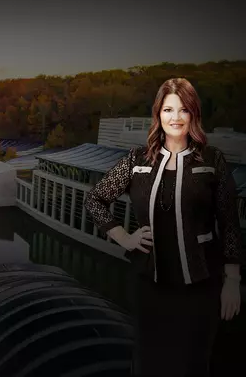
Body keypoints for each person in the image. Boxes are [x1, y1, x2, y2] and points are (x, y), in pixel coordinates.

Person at [85, 78, 243, 377]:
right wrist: (123, 237)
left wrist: (232, 279)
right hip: (151, 283)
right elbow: (95, 199)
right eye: (168, 109)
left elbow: (230, 222)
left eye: (183, 110)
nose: (175, 117)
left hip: (202, 282)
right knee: (149, 363)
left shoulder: (212, 160)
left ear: (193, 114)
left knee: (195, 363)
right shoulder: (136, 160)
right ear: (158, 114)